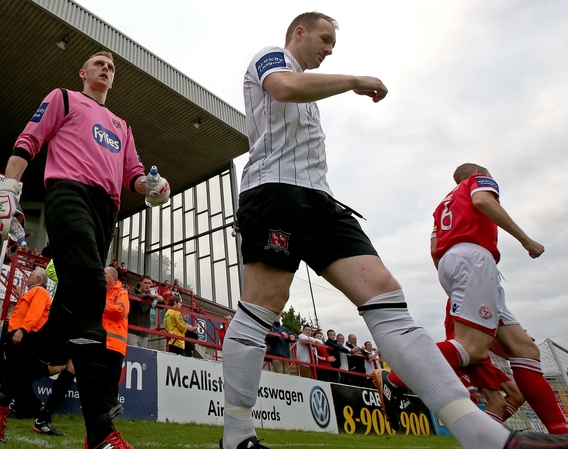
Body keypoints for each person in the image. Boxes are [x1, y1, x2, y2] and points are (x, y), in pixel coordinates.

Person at [220, 11, 562, 449]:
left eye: (333, 45)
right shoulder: (271, 57)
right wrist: (355, 79)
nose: (328, 49)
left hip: (321, 201)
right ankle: (236, 436)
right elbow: (284, 87)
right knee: (263, 304)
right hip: (274, 194)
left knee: (384, 291)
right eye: (324, 39)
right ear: (299, 32)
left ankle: (483, 436)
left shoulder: (310, 90)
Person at [0, 50, 170, 448]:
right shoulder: (64, 98)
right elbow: (28, 140)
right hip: (68, 196)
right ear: (83, 73)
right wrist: (7, 189)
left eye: (112, 67)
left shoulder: (123, 125)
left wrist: (154, 188)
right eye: (98, 64)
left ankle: (1, 397)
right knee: (91, 288)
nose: (106, 69)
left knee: (65, 324)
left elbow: (134, 176)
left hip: (106, 212)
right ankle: (100, 433)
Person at [377, 163, 568, 435]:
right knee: (473, 348)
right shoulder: (477, 183)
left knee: (525, 349)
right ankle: (395, 378)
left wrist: (453, 285)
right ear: (483, 175)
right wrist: (526, 240)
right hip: (475, 259)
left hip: (452, 262)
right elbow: (483, 201)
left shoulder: (443, 206)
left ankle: (559, 430)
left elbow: (434, 251)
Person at [33, 267, 130, 437]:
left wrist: (98, 304)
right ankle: (42, 417)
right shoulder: (96, 290)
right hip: (88, 340)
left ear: (113, 277)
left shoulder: (120, 292)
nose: (101, 275)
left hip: (109, 345)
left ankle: (44, 418)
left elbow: (120, 311)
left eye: (105, 273)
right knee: (68, 370)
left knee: (77, 373)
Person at [0, 267, 54, 441]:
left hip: (23, 336)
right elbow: (30, 310)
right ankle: (3, 409)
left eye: (30, 276)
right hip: (23, 336)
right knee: (17, 377)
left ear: (38, 279)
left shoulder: (38, 292)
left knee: (15, 377)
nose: (28, 278)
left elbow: (34, 312)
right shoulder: (36, 292)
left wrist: (22, 329)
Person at [128, 275, 160, 348]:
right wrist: (150, 296)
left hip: (144, 332)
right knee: (132, 355)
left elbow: (162, 305)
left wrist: (160, 298)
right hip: (132, 331)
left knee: (142, 357)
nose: (148, 285)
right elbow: (134, 296)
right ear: (140, 283)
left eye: (149, 283)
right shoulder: (133, 291)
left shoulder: (150, 295)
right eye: (145, 283)